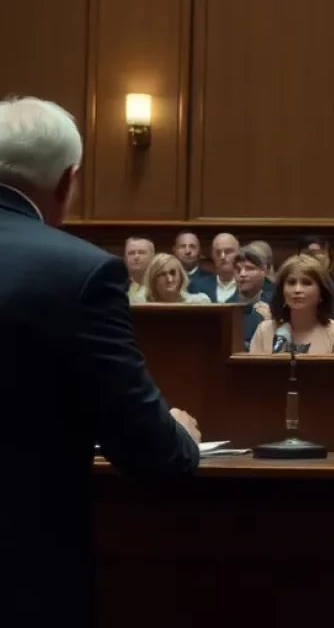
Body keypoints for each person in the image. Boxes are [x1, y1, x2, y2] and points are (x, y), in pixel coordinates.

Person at [0, 96, 200, 625]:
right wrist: (177, 430)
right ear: (69, 181)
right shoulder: (80, 273)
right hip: (22, 577)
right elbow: (155, 455)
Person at [249, 254, 334, 354]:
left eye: (306, 283)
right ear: (282, 291)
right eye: (291, 283)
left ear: (322, 292)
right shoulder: (265, 331)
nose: (297, 290)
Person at [231, 245, 274, 349]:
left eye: (249, 268)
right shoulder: (227, 306)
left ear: (264, 271)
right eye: (238, 269)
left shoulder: (275, 304)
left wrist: (270, 325)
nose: (242, 274)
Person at [139, 253, 210, 304]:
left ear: (181, 277)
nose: (169, 279)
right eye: (163, 274)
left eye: (173, 273)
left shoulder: (199, 302)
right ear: (153, 280)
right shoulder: (140, 303)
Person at [124, 236, 155, 302]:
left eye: (141, 252)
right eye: (131, 253)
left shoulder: (163, 286)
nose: (136, 257)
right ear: (125, 258)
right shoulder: (118, 286)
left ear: (153, 256)